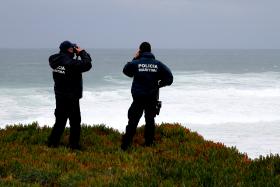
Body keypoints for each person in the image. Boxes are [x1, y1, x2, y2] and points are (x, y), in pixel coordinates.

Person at [121, 42, 173, 150]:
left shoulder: (136, 63)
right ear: (150, 51)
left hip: (138, 98)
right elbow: (170, 78)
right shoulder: (158, 64)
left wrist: (135, 58)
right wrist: (159, 84)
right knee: (150, 121)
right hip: (151, 98)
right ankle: (149, 144)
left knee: (133, 121)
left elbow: (126, 71)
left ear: (140, 51)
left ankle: (126, 145)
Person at [48, 41, 92, 149]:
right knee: (75, 121)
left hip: (59, 94)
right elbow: (87, 64)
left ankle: (52, 143)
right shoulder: (71, 63)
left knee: (60, 121)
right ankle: (73, 145)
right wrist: (82, 52)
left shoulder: (54, 60)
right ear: (69, 49)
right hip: (71, 96)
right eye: (73, 48)